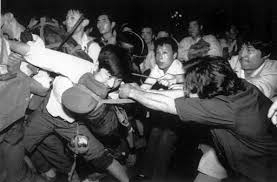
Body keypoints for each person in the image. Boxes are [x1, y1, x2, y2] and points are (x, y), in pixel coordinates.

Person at [119, 56, 277, 182]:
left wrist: (133, 93)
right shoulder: (237, 84)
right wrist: (140, 90)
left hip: (260, 171)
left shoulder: (223, 108)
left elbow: (168, 104)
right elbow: (184, 94)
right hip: (235, 152)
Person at [8, 40, 130, 182]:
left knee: (101, 157)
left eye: (117, 80)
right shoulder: (77, 66)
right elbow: (35, 53)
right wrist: (4, 42)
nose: (111, 84)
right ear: (97, 65)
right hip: (47, 113)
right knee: (15, 147)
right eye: (108, 76)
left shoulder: (116, 88)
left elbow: (119, 117)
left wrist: (131, 93)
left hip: (75, 125)